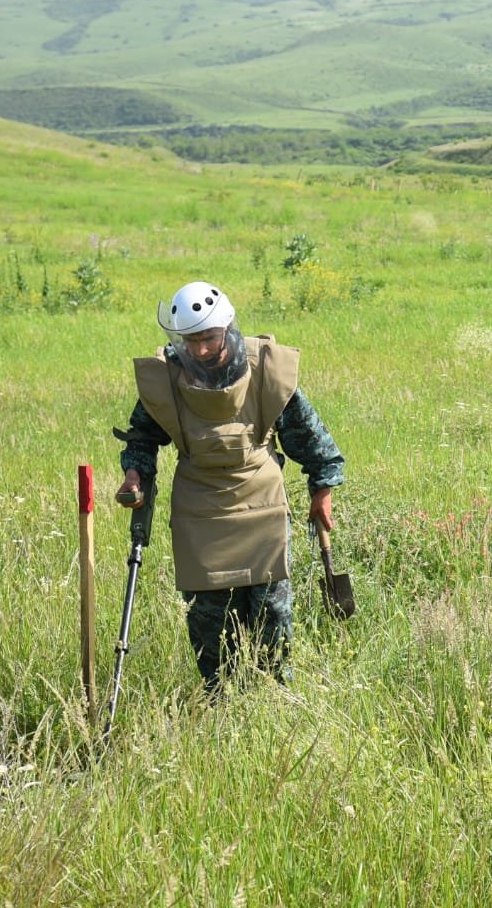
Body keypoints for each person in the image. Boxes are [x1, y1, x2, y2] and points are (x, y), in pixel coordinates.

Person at [114, 280, 345, 694]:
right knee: (209, 622)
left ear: (227, 328)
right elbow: (143, 437)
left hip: (262, 504)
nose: (200, 349)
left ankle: (274, 699)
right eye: (191, 341)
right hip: (199, 511)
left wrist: (322, 487)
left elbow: (307, 435)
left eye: (208, 338)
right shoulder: (167, 377)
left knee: (271, 615)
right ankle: (220, 700)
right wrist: (134, 474)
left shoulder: (264, 369)